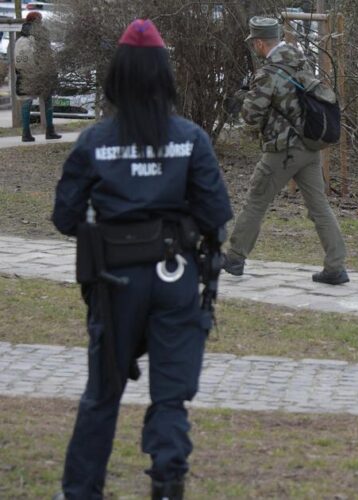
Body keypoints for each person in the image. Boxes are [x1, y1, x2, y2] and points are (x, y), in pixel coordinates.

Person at [51, 19, 232, 500]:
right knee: (170, 393)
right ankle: (168, 482)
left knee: (102, 396)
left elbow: (65, 217)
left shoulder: (95, 142)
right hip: (175, 276)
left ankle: (80, 491)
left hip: (114, 283)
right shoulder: (191, 139)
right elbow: (217, 215)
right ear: (164, 76)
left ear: (117, 77)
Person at [222, 16, 349, 285]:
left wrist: (242, 100)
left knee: (256, 201)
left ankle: (234, 257)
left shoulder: (268, 74)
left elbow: (251, 117)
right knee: (319, 207)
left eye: (253, 43)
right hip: (309, 147)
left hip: (282, 150)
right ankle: (336, 266)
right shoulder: (301, 62)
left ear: (259, 43)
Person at [14, 11, 61, 142]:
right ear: (37, 20)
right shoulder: (41, 33)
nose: (41, 21)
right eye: (40, 19)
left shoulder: (21, 35)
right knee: (47, 100)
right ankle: (50, 131)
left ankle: (26, 134)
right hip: (41, 71)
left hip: (25, 73)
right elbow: (46, 53)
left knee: (27, 102)